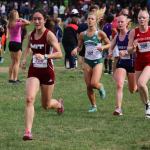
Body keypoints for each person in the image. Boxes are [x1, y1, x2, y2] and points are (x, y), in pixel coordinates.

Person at [21, 9, 64, 141]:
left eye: (39, 18)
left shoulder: (49, 35)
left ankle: (58, 104)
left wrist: (45, 56)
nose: (37, 21)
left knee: (45, 105)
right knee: (29, 99)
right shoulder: (31, 34)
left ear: (44, 20)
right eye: (35, 19)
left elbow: (59, 53)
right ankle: (28, 131)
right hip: (34, 70)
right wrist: (24, 58)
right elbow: (28, 46)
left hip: (47, 71)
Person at [72, 12, 110, 112]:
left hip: (98, 61)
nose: (90, 20)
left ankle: (100, 86)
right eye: (88, 19)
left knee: (94, 83)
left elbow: (109, 44)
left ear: (96, 20)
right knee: (88, 86)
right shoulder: (82, 34)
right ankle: (93, 106)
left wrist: (103, 47)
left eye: (92, 19)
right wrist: (76, 50)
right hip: (87, 61)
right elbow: (79, 47)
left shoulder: (100, 33)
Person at [109, 15, 137, 116]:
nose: (120, 24)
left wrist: (126, 51)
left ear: (126, 23)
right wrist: (110, 52)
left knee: (132, 89)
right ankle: (118, 109)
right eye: (118, 22)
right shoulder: (117, 36)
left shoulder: (131, 33)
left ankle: (137, 85)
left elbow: (134, 48)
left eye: (122, 22)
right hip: (122, 64)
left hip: (132, 64)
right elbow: (111, 46)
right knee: (119, 84)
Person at [128, 9, 150, 118]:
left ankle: (149, 104)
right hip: (139, 62)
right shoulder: (133, 32)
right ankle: (146, 106)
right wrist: (133, 47)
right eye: (140, 18)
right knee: (139, 88)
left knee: (141, 83)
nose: (141, 19)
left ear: (148, 19)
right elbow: (129, 50)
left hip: (149, 62)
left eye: (144, 18)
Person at [7, 10, 30, 83]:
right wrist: (22, 19)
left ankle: (10, 78)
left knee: (13, 62)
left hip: (11, 43)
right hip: (17, 43)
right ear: (15, 16)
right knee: (17, 62)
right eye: (17, 15)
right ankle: (15, 79)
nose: (18, 16)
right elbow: (28, 23)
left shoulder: (9, 24)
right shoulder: (17, 23)